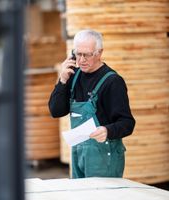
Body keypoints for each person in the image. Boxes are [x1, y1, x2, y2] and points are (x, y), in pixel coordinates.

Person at [48, 29, 135, 178]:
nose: (81, 60)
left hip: (104, 157)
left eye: (86, 55)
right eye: (77, 54)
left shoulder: (112, 82)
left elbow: (127, 123)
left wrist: (108, 130)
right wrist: (62, 81)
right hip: (78, 154)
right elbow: (56, 111)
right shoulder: (73, 75)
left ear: (99, 53)